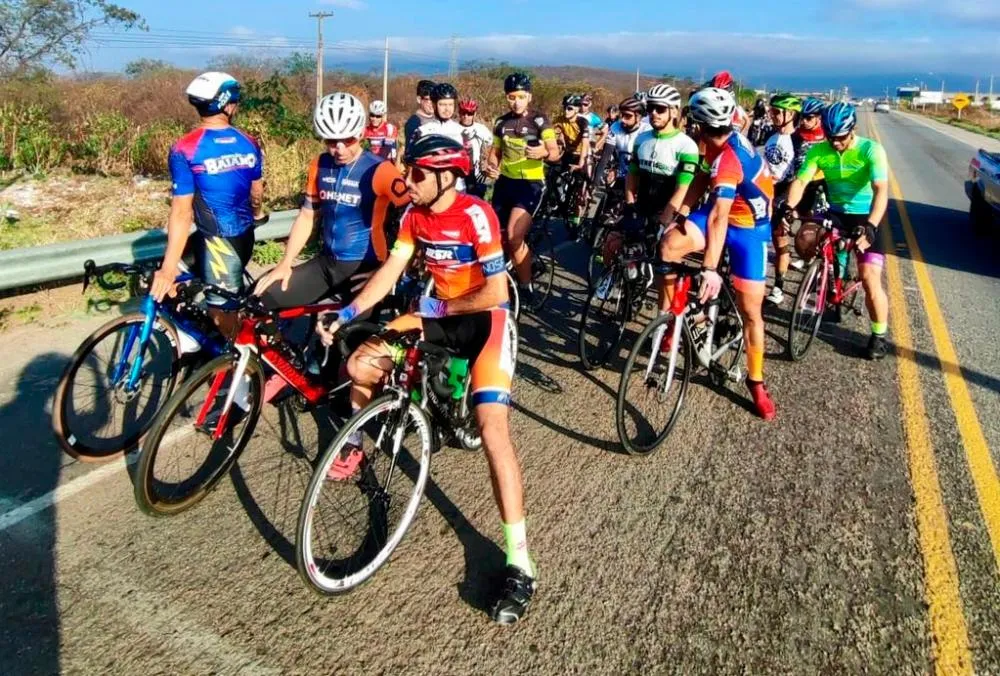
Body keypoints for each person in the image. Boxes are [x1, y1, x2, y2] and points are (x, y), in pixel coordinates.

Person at [319, 134, 536, 624]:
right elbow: (391, 271)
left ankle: (520, 561)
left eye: (417, 174)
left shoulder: (477, 215)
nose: (407, 181)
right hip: (436, 313)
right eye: (406, 171)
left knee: (493, 431)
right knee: (360, 366)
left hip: (486, 321)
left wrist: (435, 308)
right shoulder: (414, 215)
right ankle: (364, 439)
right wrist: (349, 311)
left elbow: (495, 291)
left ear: (447, 176)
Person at [254, 92, 409, 315]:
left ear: (360, 133)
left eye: (347, 140)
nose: (340, 148)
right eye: (330, 141)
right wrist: (285, 263)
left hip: (365, 268)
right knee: (260, 297)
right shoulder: (319, 164)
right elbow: (307, 216)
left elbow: (414, 219)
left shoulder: (381, 170)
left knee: (345, 339)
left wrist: (388, 270)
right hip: (326, 264)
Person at [682, 87, 777, 420]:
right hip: (722, 210)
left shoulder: (728, 158)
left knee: (751, 310)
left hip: (749, 228)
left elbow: (720, 218)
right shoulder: (714, 143)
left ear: (698, 124)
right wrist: (677, 213)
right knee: (669, 243)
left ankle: (756, 382)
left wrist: (709, 267)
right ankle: (672, 321)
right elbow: (699, 179)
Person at [152, 71, 264, 335]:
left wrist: (167, 270)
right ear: (228, 104)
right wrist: (257, 213)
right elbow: (256, 193)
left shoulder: (185, 148)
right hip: (238, 236)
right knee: (182, 285)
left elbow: (182, 212)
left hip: (217, 242)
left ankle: (242, 368)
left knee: (223, 317)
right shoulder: (250, 143)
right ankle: (197, 341)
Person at [781, 101, 890, 360]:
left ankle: (879, 335)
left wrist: (872, 226)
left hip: (866, 214)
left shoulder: (870, 150)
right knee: (806, 238)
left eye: (840, 138)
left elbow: (881, 191)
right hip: (836, 212)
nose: (836, 143)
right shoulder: (820, 150)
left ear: (852, 130)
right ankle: (832, 288)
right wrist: (788, 207)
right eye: (831, 138)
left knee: (869, 277)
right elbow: (801, 180)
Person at [622, 84, 699, 318]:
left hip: (667, 210)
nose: (653, 113)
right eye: (650, 109)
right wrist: (629, 205)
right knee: (614, 246)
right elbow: (632, 175)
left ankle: (663, 319)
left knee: (662, 267)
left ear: (674, 112)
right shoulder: (642, 138)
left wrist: (665, 221)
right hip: (642, 204)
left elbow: (683, 188)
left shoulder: (686, 145)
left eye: (660, 109)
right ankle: (631, 287)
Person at [486, 72, 559, 305]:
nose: (515, 102)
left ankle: (526, 285)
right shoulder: (501, 123)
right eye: (511, 97)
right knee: (490, 235)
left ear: (529, 96)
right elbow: (494, 155)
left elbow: (555, 152)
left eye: (520, 96)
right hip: (505, 183)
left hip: (530, 185)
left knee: (514, 235)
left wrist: (544, 153)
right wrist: (490, 168)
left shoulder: (540, 121)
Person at [762, 93, 802, 305]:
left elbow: (800, 176)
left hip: (782, 194)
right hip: (764, 190)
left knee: (779, 243)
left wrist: (790, 205)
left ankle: (778, 287)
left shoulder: (798, 141)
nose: (773, 115)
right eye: (771, 111)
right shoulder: (771, 135)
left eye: (777, 112)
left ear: (791, 114)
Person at [553, 94, 592, 239]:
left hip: (582, 155)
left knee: (579, 193)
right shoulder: (560, 120)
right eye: (564, 108)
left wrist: (581, 163)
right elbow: (550, 136)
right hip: (568, 153)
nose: (566, 111)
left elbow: (586, 143)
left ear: (576, 109)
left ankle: (576, 222)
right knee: (553, 177)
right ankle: (558, 202)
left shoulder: (583, 122)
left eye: (569, 108)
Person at [457, 97, 494, 199]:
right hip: (458, 178)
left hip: (476, 175)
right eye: (463, 112)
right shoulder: (452, 128)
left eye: (470, 113)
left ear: (475, 114)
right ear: (459, 112)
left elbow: (493, 146)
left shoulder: (481, 129)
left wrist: (488, 164)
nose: (466, 116)